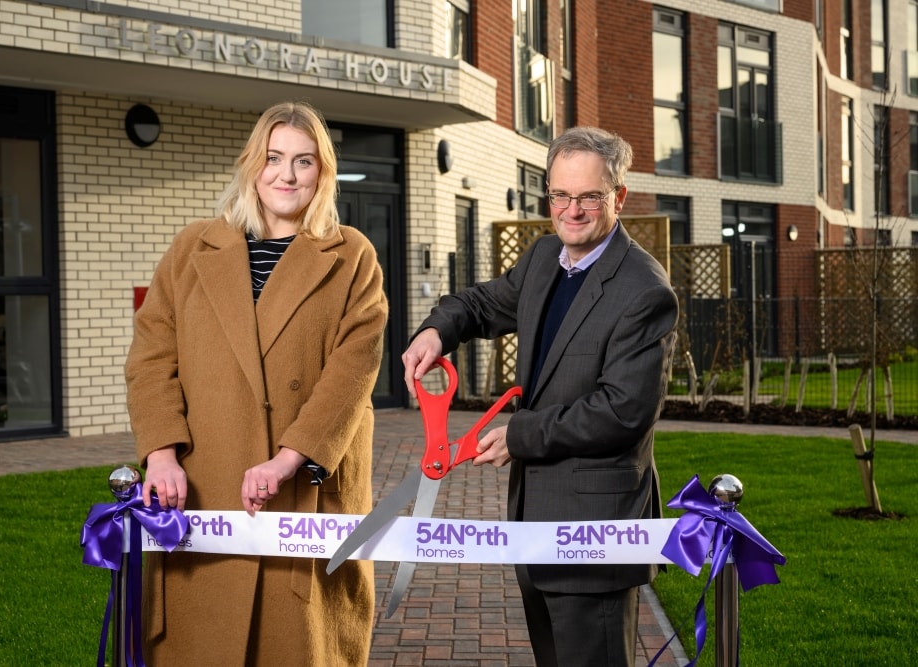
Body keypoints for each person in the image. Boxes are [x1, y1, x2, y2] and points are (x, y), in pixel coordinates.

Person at [125, 101, 388, 666]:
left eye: (303, 161)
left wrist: (288, 459)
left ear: (324, 172)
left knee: (295, 645)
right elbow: (151, 357)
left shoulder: (353, 255)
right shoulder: (192, 248)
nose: (286, 176)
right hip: (205, 483)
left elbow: (353, 371)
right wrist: (161, 454)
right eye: (273, 158)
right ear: (252, 164)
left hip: (301, 487)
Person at [403, 126, 678, 667]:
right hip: (534, 524)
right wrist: (437, 331)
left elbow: (624, 412)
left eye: (589, 197)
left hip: (595, 534)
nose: (572, 210)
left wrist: (520, 435)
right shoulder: (544, 257)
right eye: (560, 195)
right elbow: (482, 304)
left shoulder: (645, 290)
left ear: (618, 197)